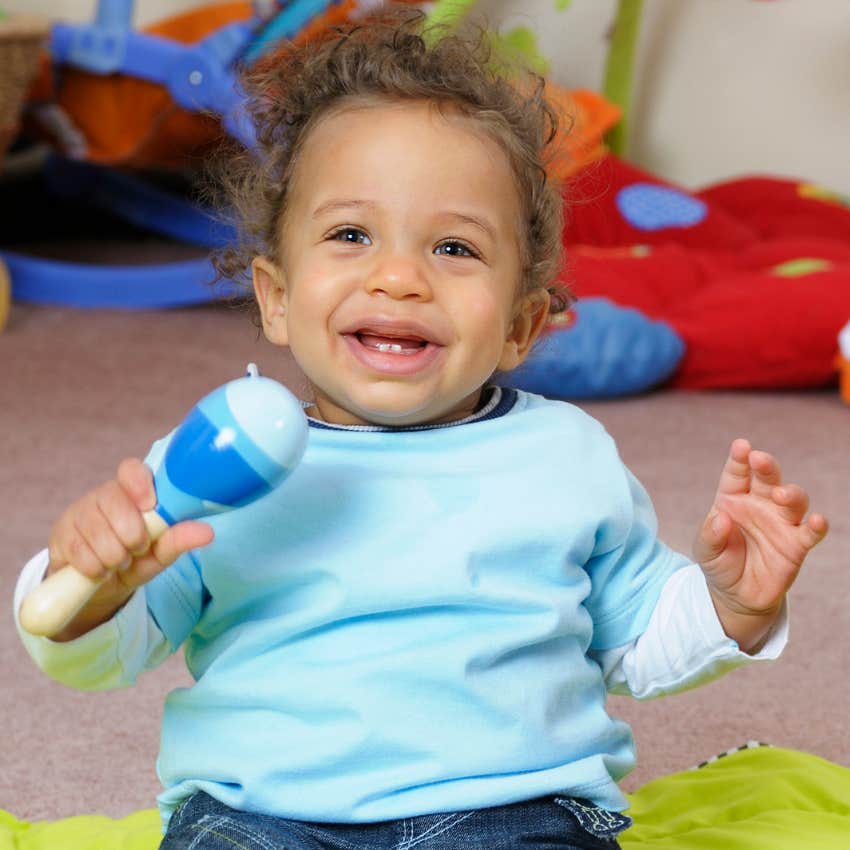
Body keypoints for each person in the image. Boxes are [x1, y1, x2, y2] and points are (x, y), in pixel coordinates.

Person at [14, 9, 828, 850]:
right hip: (260, 813)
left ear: (521, 325)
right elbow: (98, 654)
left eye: (454, 249)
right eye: (351, 234)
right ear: (277, 298)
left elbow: (638, 642)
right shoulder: (217, 462)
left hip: (513, 809)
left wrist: (731, 606)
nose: (399, 276)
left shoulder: (564, 457)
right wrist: (90, 583)